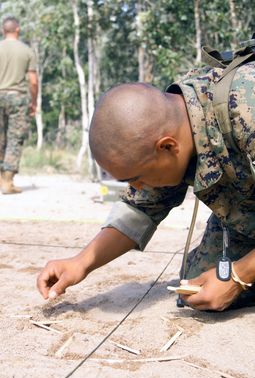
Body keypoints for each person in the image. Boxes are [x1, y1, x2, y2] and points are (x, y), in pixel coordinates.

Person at [37, 61, 255, 312]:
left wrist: (240, 276)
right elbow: (140, 208)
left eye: (136, 178)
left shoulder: (246, 109)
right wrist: (81, 263)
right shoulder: (176, 124)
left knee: (228, 284)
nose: (137, 187)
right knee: (199, 284)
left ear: (167, 147)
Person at [0, 16, 38, 194]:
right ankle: (7, 182)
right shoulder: (26, 51)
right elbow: (33, 81)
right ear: (18, 30)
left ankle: (1, 180)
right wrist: (33, 102)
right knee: (14, 139)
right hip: (17, 97)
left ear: (3, 30)